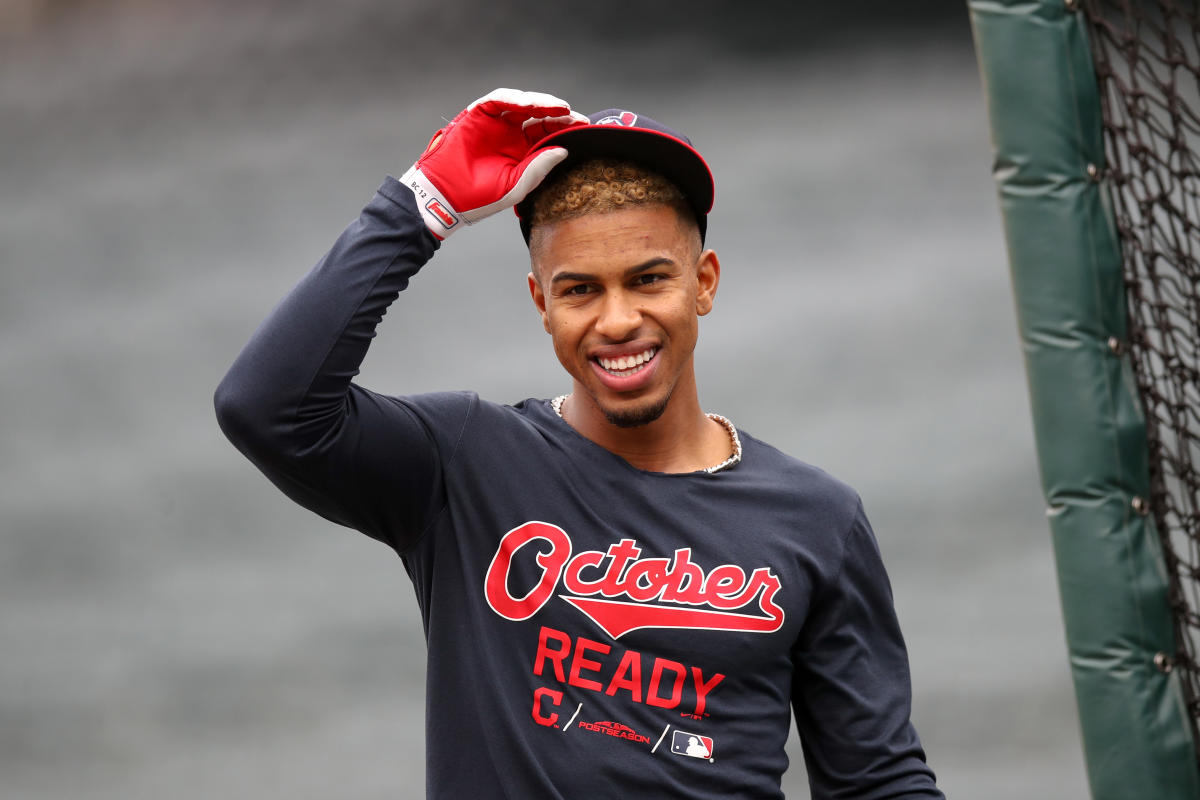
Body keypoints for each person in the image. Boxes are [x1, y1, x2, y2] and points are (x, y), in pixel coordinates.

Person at [214, 88, 943, 799]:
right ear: (541, 302)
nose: (617, 320)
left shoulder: (817, 519)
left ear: (704, 283)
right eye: (580, 290)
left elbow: (877, 780)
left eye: (649, 279)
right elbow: (267, 407)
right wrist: (419, 206)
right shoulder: (465, 465)